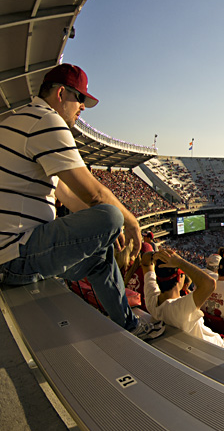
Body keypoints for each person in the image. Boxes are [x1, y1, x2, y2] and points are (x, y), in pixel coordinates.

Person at [0, 64, 162, 339]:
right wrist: (129, 221)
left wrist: (104, 233)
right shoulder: (45, 120)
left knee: (100, 255)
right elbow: (95, 195)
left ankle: (129, 325)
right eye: (80, 99)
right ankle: (127, 324)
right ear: (62, 93)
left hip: (15, 249)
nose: (83, 107)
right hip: (15, 256)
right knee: (111, 215)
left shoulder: (17, 120)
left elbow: (64, 192)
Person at [142, 248, 224, 361]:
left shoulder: (153, 301)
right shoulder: (179, 308)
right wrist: (179, 261)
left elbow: (145, 261)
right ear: (179, 277)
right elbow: (209, 283)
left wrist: (158, 257)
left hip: (215, 342)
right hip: (218, 352)